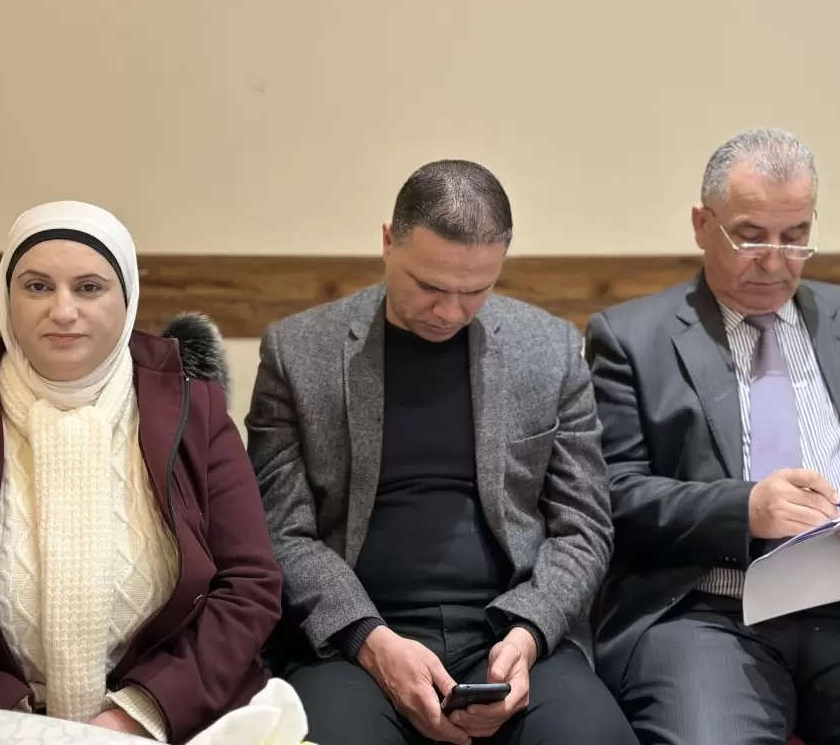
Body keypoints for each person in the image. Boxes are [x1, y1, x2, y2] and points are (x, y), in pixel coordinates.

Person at [246, 159, 636, 745]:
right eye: (428, 286)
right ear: (388, 242)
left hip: (509, 631)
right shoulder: (299, 352)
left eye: (476, 290)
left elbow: (583, 526)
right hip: (353, 640)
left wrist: (530, 633)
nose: (450, 312)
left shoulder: (549, 349)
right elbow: (280, 531)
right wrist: (370, 640)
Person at [0, 201, 282, 745]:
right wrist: (13, 720)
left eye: (89, 287)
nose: (63, 311)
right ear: (6, 297)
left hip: (168, 720)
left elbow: (250, 588)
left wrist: (135, 715)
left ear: (127, 297)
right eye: (37, 287)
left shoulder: (195, 411)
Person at [586, 128, 840, 744]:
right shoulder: (630, 339)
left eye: (796, 236)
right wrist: (745, 508)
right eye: (751, 237)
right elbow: (610, 496)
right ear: (702, 225)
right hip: (708, 616)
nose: (776, 261)